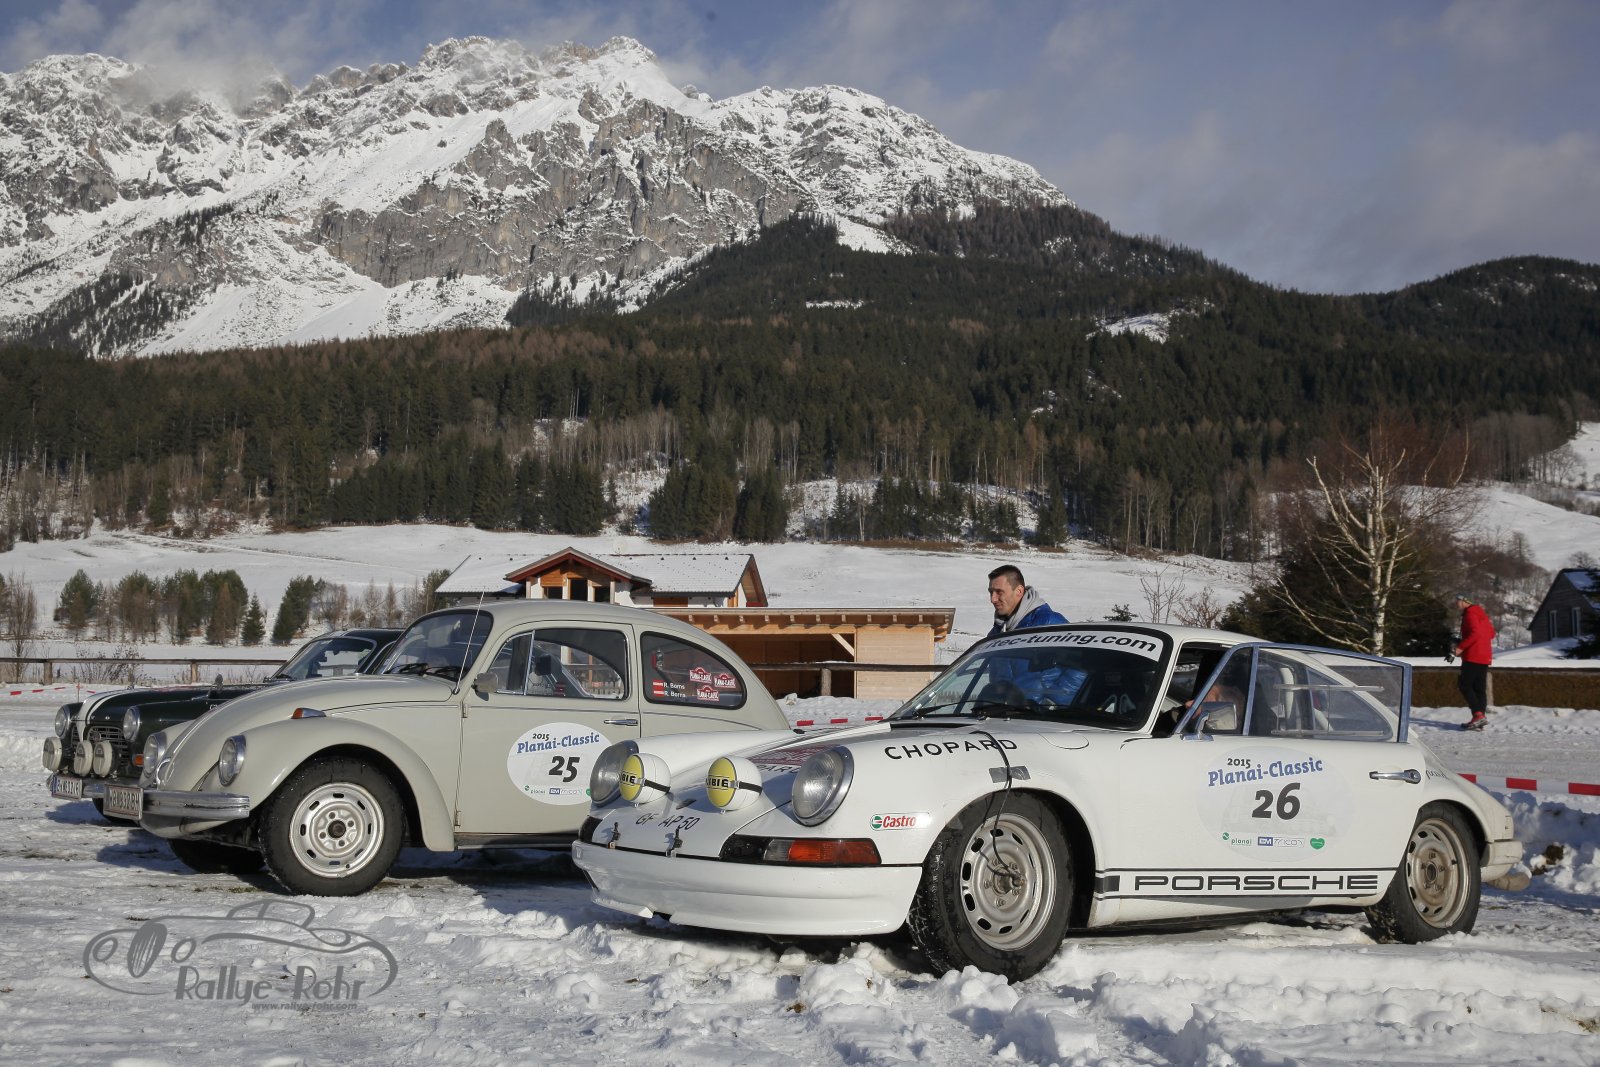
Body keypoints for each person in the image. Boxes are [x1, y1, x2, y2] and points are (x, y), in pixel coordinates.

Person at [986, 565, 1067, 637]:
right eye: (991, 592)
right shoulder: (995, 633)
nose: (993, 599)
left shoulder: (1050, 624)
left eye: (999, 592)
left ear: (1019, 591)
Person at [1453, 593, 1495, 731]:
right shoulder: (1481, 614)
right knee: (1479, 688)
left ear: (1465, 601)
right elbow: (1491, 633)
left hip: (1473, 655)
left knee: (1464, 684)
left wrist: (1460, 647)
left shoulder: (1470, 614)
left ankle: (1477, 715)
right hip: (1484, 656)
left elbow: (1475, 633)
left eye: (1458, 600)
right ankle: (1480, 719)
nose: (1456, 603)